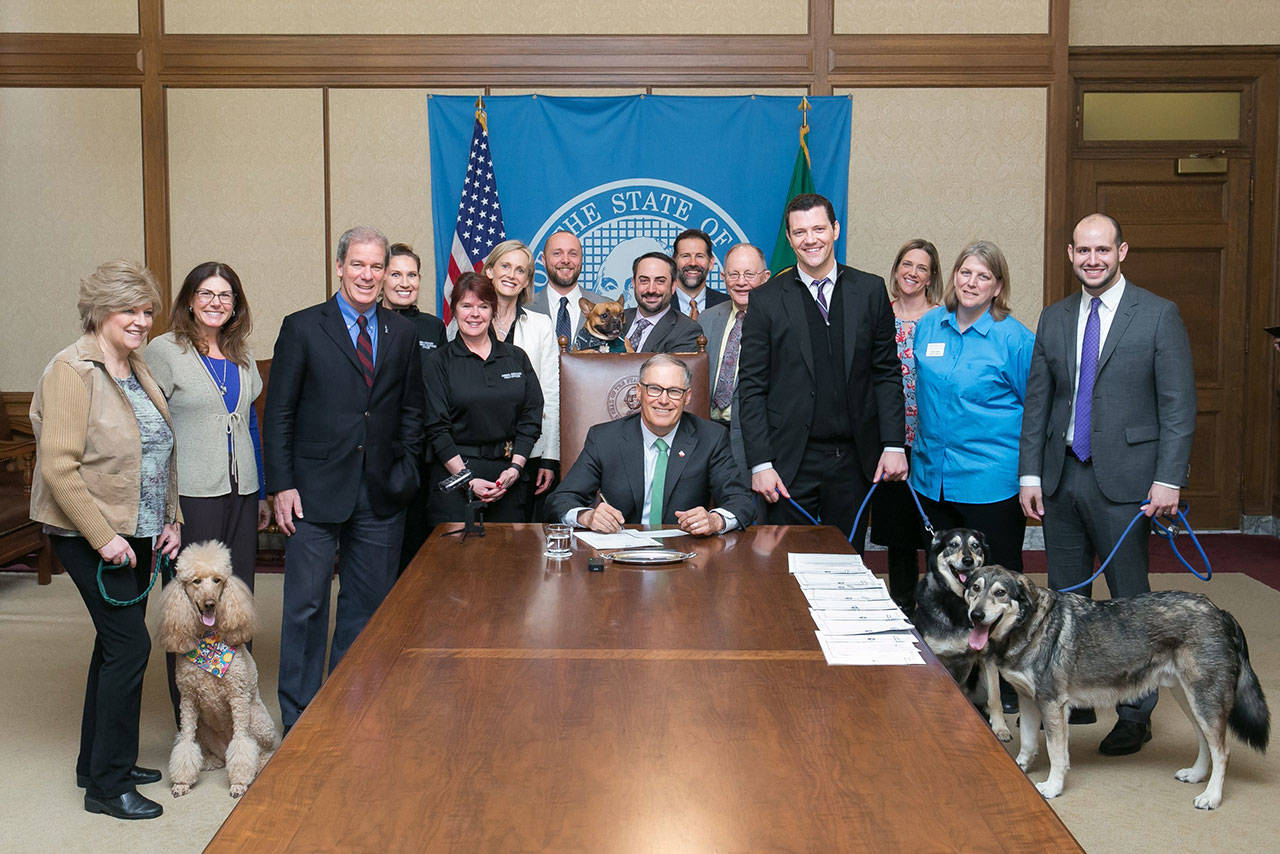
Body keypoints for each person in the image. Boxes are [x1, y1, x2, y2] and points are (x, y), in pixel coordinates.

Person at [1019, 213, 1196, 756]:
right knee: (1067, 600)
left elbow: (1178, 406)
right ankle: (1074, 697)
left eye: (1103, 249)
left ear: (1122, 251)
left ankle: (1135, 713)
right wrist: (1030, 473)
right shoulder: (1054, 317)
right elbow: (1039, 402)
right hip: (1063, 477)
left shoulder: (1158, 315)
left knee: (1130, 606)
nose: (1092, 259)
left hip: (1130, 484)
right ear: (1070, 254)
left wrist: (1169, 478)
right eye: (1082, 250)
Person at [29, 260, 182, 820]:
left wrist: (170, 516)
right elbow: (60, 471)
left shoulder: (132, 364)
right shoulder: (72, 371)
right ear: (99, 311)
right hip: (91, 532)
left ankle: (94, 764)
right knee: (130, 647)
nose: (142, 320)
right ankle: (107, 787)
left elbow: (157, 447)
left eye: (147, 310)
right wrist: (103, 539)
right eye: (130, 310)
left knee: (111, 645)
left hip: (138, 529)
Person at [264, 225, 425, 731]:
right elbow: (279, 413)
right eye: (358, 264)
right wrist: (281, 484)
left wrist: (406, 470)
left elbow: (412, 410)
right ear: (339, 267)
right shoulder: (303, 327)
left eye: (377, 266)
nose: (368, 275)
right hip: (310, 492)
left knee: (366, 607)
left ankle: (346, 709)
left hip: (380, 492)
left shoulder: (402, 333)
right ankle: (300, 718)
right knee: (306, 608)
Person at [737, 193, 907, 543]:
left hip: (855, 460)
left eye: (818, 229)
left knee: (846, 566)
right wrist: (761, 464)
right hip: (787, 463)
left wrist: (893, 444)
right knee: (784, 571)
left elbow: (886, 373)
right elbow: (752, 386)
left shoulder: (870, 290)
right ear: (789, 238)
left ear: (835, 229)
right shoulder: (766, 299)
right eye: (800, 232)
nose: (810, 239)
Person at [145, 261, 269, 722]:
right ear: (190, 300)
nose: (217, 303)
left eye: (226, 296)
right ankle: (192, 713)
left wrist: (261, 494)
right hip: (191, 496)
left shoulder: (241, 353)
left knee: (234, 599)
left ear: (236, 305)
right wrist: (166, 506)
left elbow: (250, 425)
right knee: (192, 604)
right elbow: (152, 432)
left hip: (241, 491)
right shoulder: (165, 351)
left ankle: (232, 710)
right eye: (207, 294)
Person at [910, 241, 1034, 571]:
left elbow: (1035, 411)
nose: (971, 282)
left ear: (998, 286)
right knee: (942, 579)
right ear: (954, 276)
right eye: (965, 272)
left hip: (989, 482)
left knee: (996, 580)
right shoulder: (929, 325)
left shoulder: (1015, 340)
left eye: (983, 276)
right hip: (931, 477)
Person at [546, 354, 755, 533]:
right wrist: (587, 517)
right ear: (639, 392)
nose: (663, 400)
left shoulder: (711, 438)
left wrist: (714, 520)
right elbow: (561, 500)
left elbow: (741, 502)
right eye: (654, 389)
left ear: (687, 397)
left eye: (674, 391)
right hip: (620, 558)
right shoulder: (604, 438)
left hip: (686, 556)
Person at [424, 272, 544, 525]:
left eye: (483, 306)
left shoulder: (516, 357)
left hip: (508, 479)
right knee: (456, 562)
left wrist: (515, 468)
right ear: (454, 310)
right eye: (466, 306)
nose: (475, 314)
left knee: (509, 562)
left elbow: (531, 417)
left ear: (493, 310)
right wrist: (467, 478)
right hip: (455, 478)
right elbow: (436, 428)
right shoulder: (438, 361)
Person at [871, 240, 943, 612]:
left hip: (932, 439)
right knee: (899, 531)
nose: (912, 273)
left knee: (932, 529)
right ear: (896, 268)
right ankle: (901, 604)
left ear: (932, 277)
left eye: (921, 268)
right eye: (906, 264)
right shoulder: (879, 313)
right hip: (889, 438)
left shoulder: (943, 318)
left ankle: (937, 608)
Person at [479, 239, 560, 518]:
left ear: (527, 281)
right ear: (489, 270)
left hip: (527, 454)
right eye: (505, 266)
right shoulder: (468, 320)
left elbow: (550, 394)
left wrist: (550, 456)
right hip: (477, 455)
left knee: (520, 546)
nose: (511, 275)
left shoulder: (541, 326)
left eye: (520, 270)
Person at [378, 242, 446, 572]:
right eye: (396, 274)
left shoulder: (434, 327)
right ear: (381, 278)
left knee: (419, 546)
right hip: (381, 452)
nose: (405, 283)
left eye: (412, 274)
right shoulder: (368, 324)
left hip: (425, 454)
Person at [529, 230, 607, 346]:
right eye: (557, 253)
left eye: (573, 254)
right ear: (544, 260)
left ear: (581, 260)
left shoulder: (606, 306)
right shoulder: (525, 308)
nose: (565, 260)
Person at [623, 252, 705, 353]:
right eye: (644, 281)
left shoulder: (687, 330)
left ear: (673, 286)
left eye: (660, 281)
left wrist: (629, 353)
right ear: (634, 284)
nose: (651, 290)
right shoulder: (618, 318)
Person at [672, 228, 729, 320]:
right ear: (674, 262)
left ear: (710, 263)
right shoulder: (660, 305)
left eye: (699, 256)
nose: (693, 263)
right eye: (685, 256)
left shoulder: (728, 305)